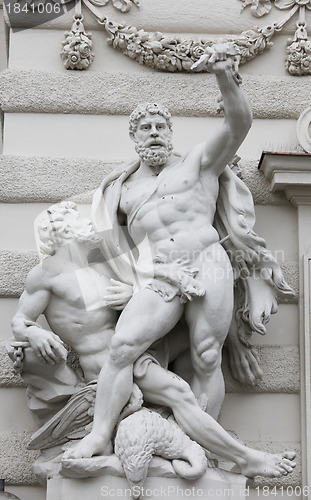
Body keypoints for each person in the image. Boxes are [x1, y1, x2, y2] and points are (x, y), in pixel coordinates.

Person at [65, 43, 293, 460]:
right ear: (133, 138)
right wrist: (119, 285)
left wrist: (225, 75)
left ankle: (200, 445)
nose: (153, 132)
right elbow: (95, 241)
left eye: (160, 126)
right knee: (122, 348)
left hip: (208, 263)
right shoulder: (119, 192)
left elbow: (239, 123)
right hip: (163, 274)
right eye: (145, 127)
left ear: (170, 132)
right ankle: (99, 435)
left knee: (208, 356)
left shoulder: (197, 165)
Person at [13, 202, 296, 479]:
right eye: (77, 219)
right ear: (60, 230)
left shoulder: (98, 262)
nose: (88, 224)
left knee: (204, 349)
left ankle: (211, 449)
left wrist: (130, 293)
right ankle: (245, 458)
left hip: (136, 352)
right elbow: (20, 320)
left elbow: (140, 284)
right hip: (104, 365)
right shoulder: (46, 275)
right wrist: (32, 331)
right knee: (180, 394)